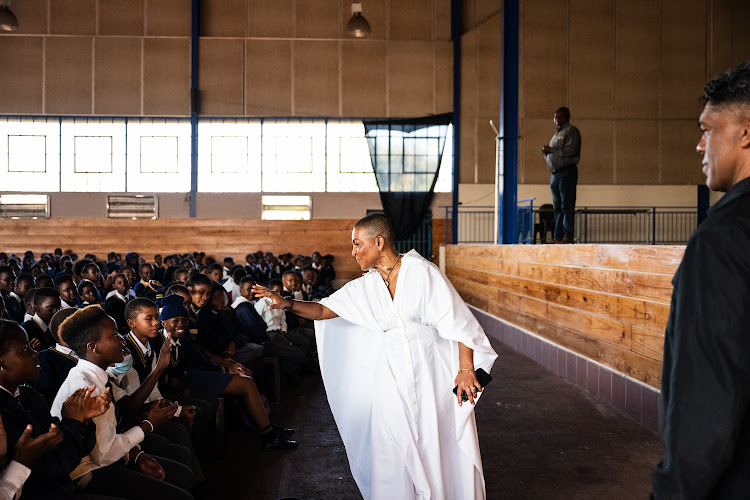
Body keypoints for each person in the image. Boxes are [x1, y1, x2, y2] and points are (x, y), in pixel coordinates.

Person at [253, 213, 497, 499]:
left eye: (358, 244)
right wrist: (287, 304)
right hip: (390, 377)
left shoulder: (423, 272)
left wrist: (466, 369)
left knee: (434, 440)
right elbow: (324, 310)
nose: (353, 251)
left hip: (430, 372)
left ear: (379, 242)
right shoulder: (367, 285)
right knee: (391, 442)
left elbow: (458, 322)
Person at [651, 61, 750, 498]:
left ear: (745, 133)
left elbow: (705, 404)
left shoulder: (724, 238)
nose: (699, 144)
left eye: (707, 129)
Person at [541, 106, 581, 244]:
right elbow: (555, 153)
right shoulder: (555, 135)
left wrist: (551, 149)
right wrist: (547, 154)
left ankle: (567, 236)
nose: (555, 119)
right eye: (555, 117)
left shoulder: (571, 131)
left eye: (557, 116)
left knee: (566, 205)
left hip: (567, 171)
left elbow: (572, 150)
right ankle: (558, 237)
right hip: (555, 174)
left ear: (564, 117)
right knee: (557, 206)